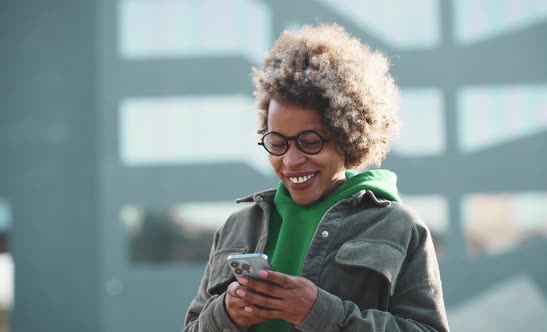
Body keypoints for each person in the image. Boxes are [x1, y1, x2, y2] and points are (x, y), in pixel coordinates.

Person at [183, 24, 449, 332]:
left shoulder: (399, 227)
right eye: (278, 143)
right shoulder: (237, 227)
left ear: (348, 136)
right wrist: (225, 316)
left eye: (310, 142)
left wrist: (319, 312)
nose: (291, 161)